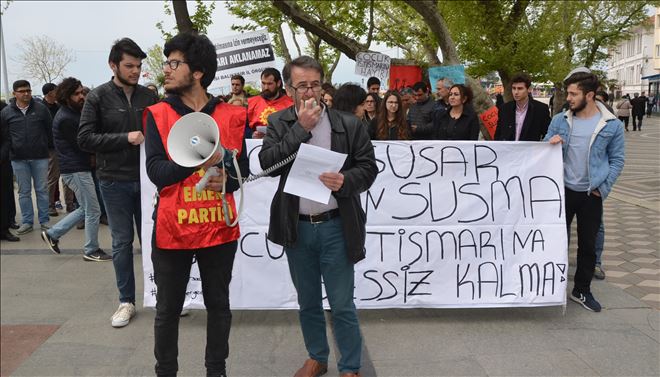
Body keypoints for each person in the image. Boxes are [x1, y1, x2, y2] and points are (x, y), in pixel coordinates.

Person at [259, 55, 377, 377]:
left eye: (315, 84)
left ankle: (350, 366)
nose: (309, 92)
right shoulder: (279, 122)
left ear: (323, 85)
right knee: (308, 301)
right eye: (301, 86)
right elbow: (267, 163)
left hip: (336, 227)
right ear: (288, 88)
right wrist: (300, 129)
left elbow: (369, 168)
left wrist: (346, 181)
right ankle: (317, 357)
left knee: (341, 304)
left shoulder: (348, 124)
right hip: (297, 228)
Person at [144, 32, 249, 377]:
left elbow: (241, 173)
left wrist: (227, 179)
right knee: (167, 309)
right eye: (166, 63)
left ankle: (216, 370)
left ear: (198, 72)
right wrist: (198, 157)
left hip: (219, 229)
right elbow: (157, 172)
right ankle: (166, 372)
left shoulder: (233, 115)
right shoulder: (157, 114)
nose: (166, 70)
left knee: (219, 305)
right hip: (172, 229)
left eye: (174, 63)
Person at [78, 37, 159, 328]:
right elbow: (85, 138)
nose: (136, 71)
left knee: (154, 241)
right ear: (113, 65)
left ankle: (161, 296)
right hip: (113, 181)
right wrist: (125, 138)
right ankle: (126, 301)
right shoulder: (97, 97)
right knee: (122, 242)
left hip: (148, 180)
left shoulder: (149, 97)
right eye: (129, 65)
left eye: (138, 65)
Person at [545, 69, 625, 312]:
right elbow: (544, 148)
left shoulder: (612, 125)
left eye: (573, 93)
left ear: (589, 95)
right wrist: (550, 145)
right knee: (556, 240)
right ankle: (551, 287)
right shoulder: (560, 119)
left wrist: (602, 188)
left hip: (592, 194)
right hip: (563, 191)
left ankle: (581, 290)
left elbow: (617, 160)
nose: (568, 98)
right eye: (568, 93)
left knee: (588, 246)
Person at [40, 77, 110, 262]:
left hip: (81, 168)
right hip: (76, 169)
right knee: (93, 209)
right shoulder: (66, 118)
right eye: (77, 94)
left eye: (82, 93)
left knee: (86, 208)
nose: (82, 96)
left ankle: (53, 234)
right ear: (66, 96)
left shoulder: (73, 113)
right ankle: (91, 249)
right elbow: (84, 144)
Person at [1, 80, 52, 235]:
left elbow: (50, 130)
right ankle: (27, 221)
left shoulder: (41, 109)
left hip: (40, 157)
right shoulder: (6, 113)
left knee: (42, 190)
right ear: (14, 93)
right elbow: (4, 136)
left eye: (28, 90)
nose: (26, 94)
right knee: (24, 192)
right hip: (18, 158)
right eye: (22, 91)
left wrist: (47, 148)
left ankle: (44, 221)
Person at [494, 73, 550, 141]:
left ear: (529, 89)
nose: (516, 92)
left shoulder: (541, 109)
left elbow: (548, 134)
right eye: (514, 88)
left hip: (530, 150)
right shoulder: (505, 109)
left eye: (520, 88)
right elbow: (498, 134)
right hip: (508, 150)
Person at [247, 68, 293, 139]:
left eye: (269, 84)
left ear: (278, 83)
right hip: (258, 146)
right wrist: (252, 134)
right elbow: (243, 128)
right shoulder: (251, 103)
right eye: (263, 83)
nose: (266, 87)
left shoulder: (290, 104)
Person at [1, 99, 19, 241]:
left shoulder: (2, 109)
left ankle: (4, 228)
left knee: (5, 197)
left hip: (2, 163)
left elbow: (7, 138)